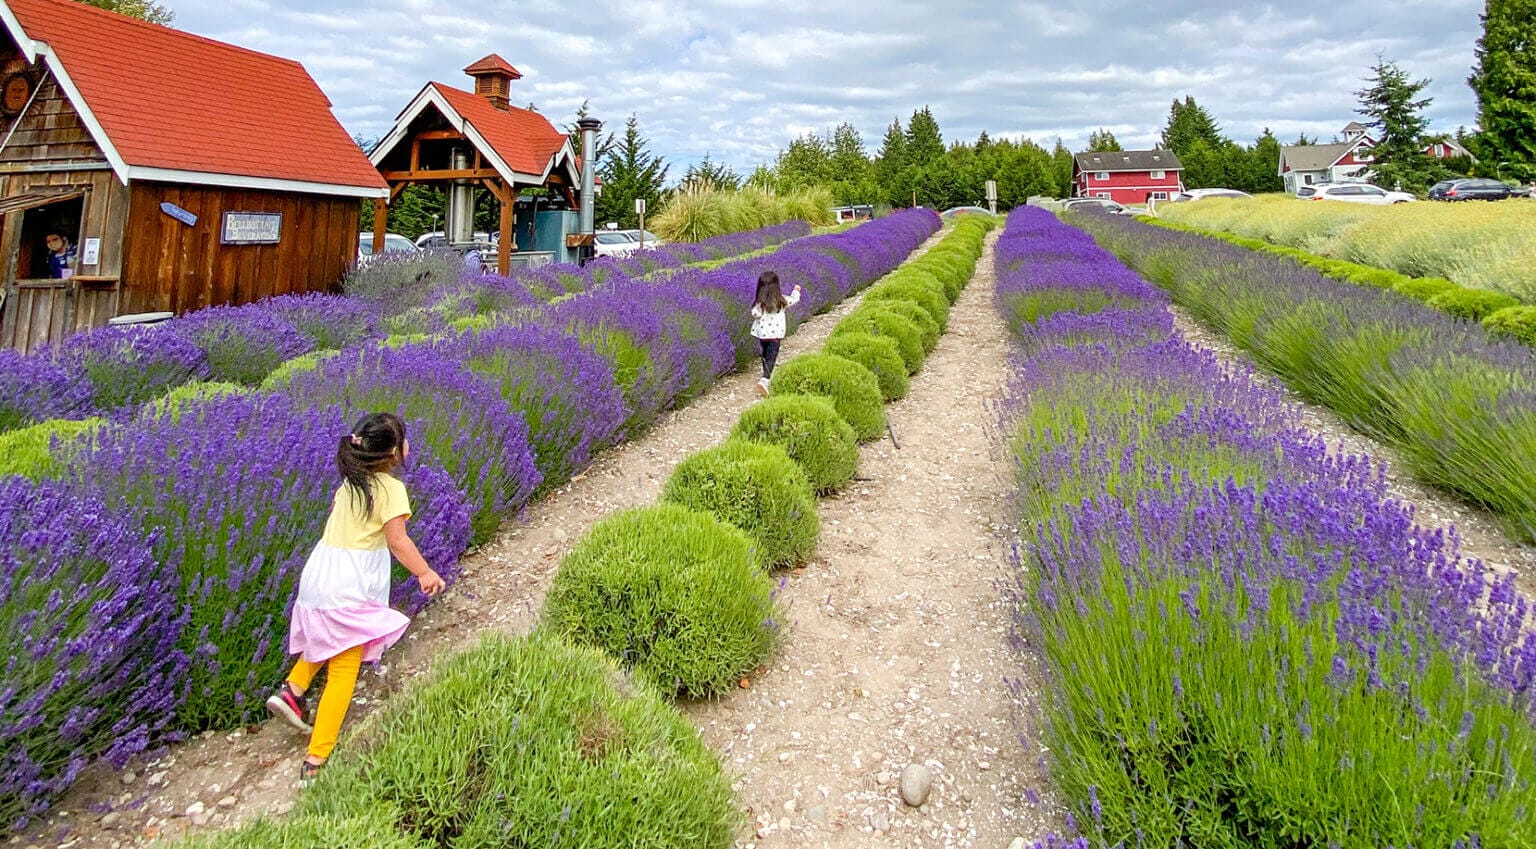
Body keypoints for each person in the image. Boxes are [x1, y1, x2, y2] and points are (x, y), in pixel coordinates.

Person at [265, 412, 445, 783]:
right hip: (350, 584)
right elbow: (398, 540)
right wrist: (424, 572)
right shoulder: (391, 490)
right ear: (395, 452)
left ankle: (293, 689)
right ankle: (317, 758)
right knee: (344, 668)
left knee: (327, 636)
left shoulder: (349, 485)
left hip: (320, 575)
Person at [749, 270, 801, 397]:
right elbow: (794, 299)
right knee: (772, 357)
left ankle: (766, 375)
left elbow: (755, 314)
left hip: (762, 335)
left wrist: (758, 308)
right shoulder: (781, 301)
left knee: (765, 355)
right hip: (775, 336)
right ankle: (765, 379)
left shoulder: (760, 304)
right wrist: (796, 290)